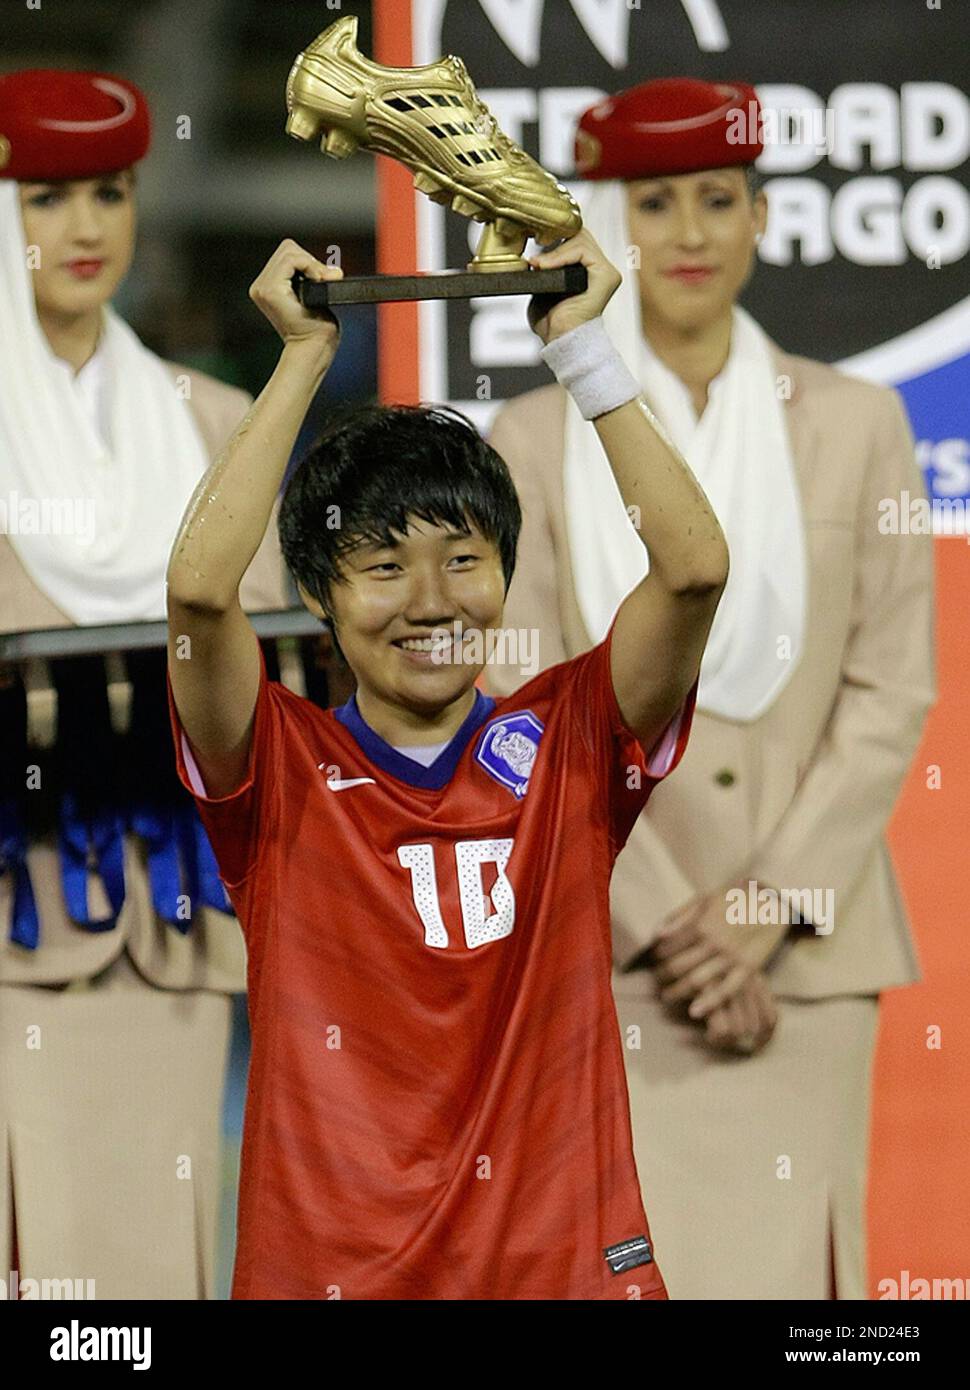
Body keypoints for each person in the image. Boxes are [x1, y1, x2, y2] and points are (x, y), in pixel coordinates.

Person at [164, 230, 729, 1300]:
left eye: (463, 559)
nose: (430, 601)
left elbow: (694, 570)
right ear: (321, 602)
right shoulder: (274, 762)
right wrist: (299, 358)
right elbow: (197, 595)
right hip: (331, 1274)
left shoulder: (570, 741)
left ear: (506, 574)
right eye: (382, 567)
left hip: (560, 1269)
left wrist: (582, 349)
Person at [482, 78, 936, 1299]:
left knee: (798, 1285)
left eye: (716, 200)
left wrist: (761, 911)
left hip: (805, 956)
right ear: (614, 225)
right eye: (655, 202)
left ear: (760, 218)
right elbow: (520, 715)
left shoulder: (858, 421)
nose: (686, 232)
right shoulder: (526, 440)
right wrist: (671, 924)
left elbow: (891, 690)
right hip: (615, 954)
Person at [0, 68, 287, 1298]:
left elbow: (266, 676)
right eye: (46, 195)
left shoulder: (217, 422)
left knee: (152, 1284)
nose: (84, 227)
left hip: (169, 936)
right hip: (13, 929)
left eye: (109, 192)